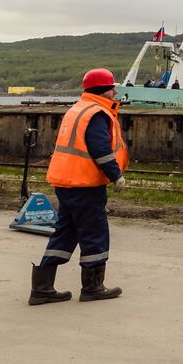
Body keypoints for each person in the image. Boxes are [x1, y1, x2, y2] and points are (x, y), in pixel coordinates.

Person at [29, 68, 129, 305]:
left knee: (66, 232)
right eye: (111, 87)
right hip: (85, 184)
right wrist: (116, 176)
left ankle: (42, 288)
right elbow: (100, 150)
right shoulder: (96, 113)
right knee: (94, 232)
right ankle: (93, 287)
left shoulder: (77, 109)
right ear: (101, 90)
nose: (115, 92)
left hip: (66, 182)